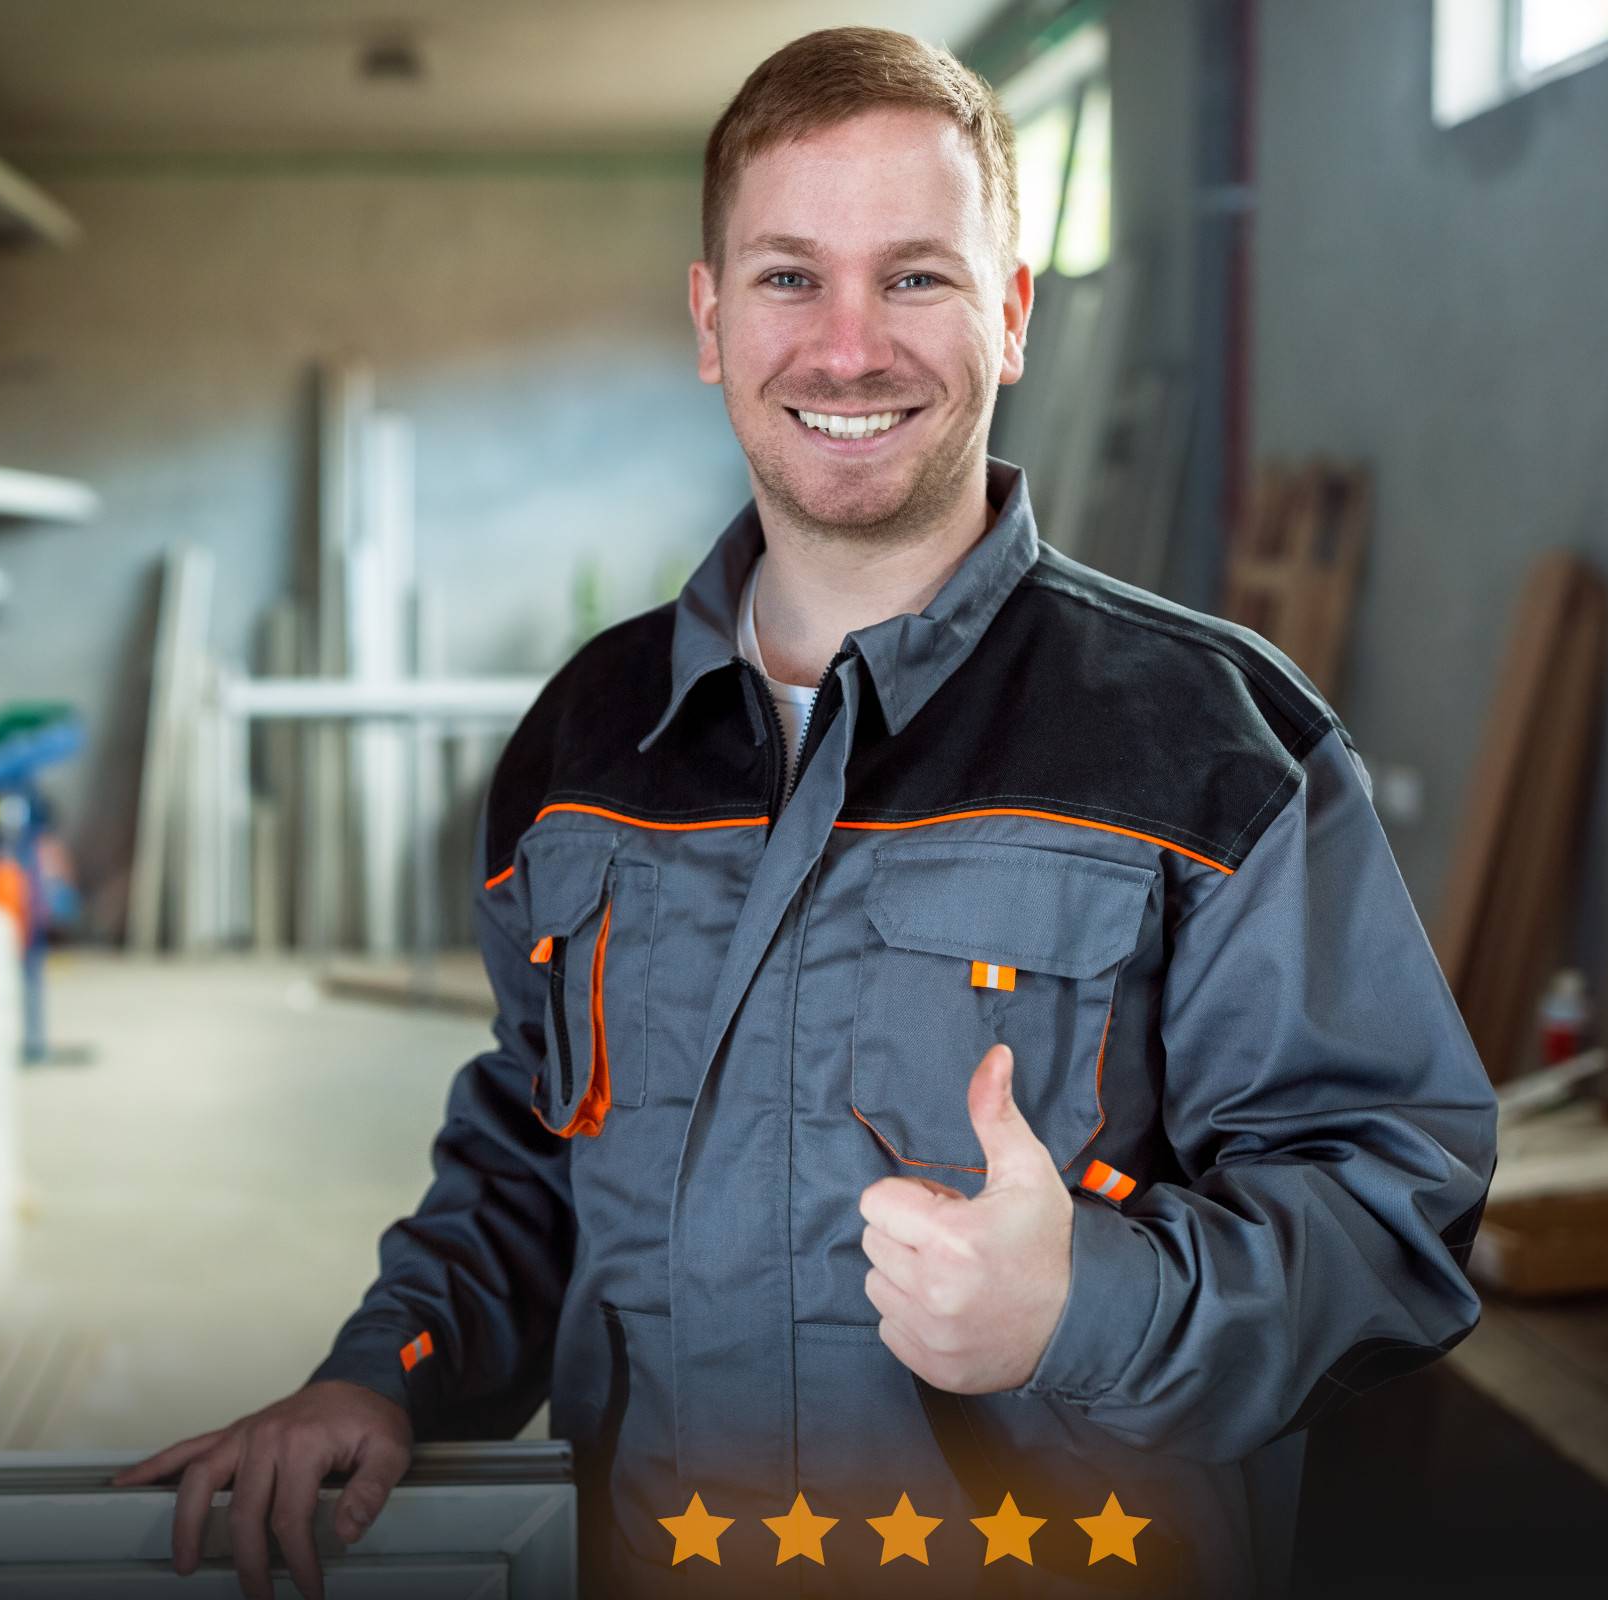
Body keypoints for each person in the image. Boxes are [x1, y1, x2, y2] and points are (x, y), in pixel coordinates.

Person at [117, 26, 1497, 1600]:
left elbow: (1392, 1211)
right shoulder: (583, 741)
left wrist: (1087, 1309)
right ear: (711, 320)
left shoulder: (1211, 743)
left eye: (916, 276)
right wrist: (384, 1370)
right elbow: (529, 1152)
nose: (849, 348)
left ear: (1014, 312)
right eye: (789, 278)